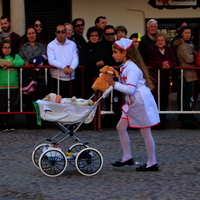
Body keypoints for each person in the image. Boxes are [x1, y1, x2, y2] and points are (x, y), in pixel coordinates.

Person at [105, 38, 160, 171]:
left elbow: (130, 89)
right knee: (121, 127)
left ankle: (152, 162)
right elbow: (123, 86)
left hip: (140, 101)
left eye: (115, 52)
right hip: (133, 100)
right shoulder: (126, 66)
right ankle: (127, 156)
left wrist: (113, 84)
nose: (113, 55)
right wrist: (106, 90)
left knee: (145, 132)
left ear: (124, 53)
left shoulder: (132, 68)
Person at [147, 32, 178, 129]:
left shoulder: (170, 50)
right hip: (155, 79)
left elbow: (175, 62)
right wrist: (161, 64)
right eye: (158, 40)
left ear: (166, 41)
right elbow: (149, 62)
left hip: (166, 79)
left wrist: (168, 65)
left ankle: (163, 120)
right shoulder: (151, 50)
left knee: (164, 100)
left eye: (162, 40)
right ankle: (154, 122)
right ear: (155, 42)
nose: (160, 42)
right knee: (155, 100)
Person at [19, 26, 48, 129]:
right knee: (28, 100)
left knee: (38, 100)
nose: (31, 35)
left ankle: (39, 122)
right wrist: (26, 63)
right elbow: (20, 58)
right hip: (27, 76)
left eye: (33, 33)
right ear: (26, 35)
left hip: (38, 76)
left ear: (36, 34)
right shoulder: (22, 46)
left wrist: (35, 62)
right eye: (29, 33)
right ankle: (29, 122)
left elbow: (44, 57)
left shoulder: (42, 46)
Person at [173, 25, 198, 130]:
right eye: (186, 33)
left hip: (192, 74)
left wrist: (194, 55)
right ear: (181, 34)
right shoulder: (181, 45)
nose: (188, 35)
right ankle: (185, 121)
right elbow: (189, 59)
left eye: (189, 33)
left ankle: (188, 118)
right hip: (185, 75)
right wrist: (194, 56)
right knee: (186, 98)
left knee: (190, 98)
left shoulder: (191, 44)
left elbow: (194, 56)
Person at [79, 26, 111, 99]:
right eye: (92, 35)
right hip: (87, 76)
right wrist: (94, 64)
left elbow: (108, 60)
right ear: (88, 37)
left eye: (96, 35)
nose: (94, 37)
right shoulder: (85, 46)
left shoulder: (102, 47)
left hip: (100, 76)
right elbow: (82, 61)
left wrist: (103, 63)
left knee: (100, 97)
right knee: (88, 96)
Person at [47, 24, 78, 98]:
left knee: (70, 102)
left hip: (71, 78)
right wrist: (63, 67)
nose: (61, 34)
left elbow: (75, 57)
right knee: (57, 103)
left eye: (63, 32)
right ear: (55, 33)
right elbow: (51, 60)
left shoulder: (72, 44)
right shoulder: (51, 45)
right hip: (56, 78)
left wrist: (72, 68)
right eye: (58, 32)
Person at [0, 40, 24, 131]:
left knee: (12, 105)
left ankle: (11, 122)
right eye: (4, 47)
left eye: (8, 47)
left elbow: (21, 62)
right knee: (3, 105)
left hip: (13, 85)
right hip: (2, 85)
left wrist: (12, 63)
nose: (7, 50)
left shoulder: (15, 56)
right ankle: (3, 123)